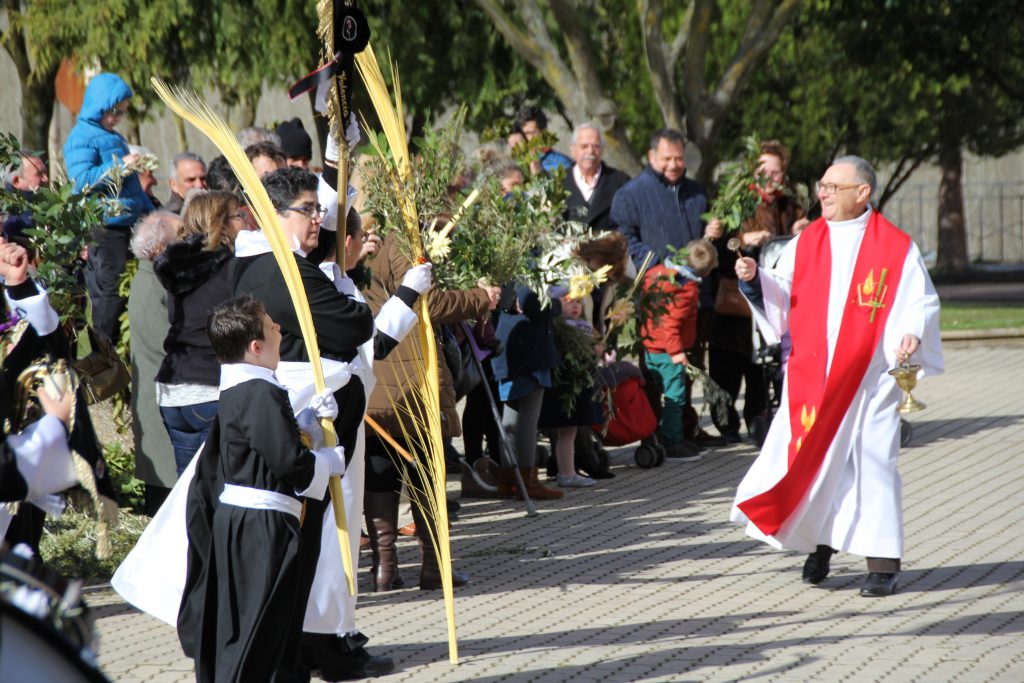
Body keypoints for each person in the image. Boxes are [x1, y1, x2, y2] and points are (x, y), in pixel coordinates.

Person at [730, 155, 943, 598]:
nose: (822, 193)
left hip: (870, 379)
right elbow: (783, 293)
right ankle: (821, 544)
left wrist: (909, 334)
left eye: (832, 187)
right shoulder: (808, 242)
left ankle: (882, 563)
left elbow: (919, 302)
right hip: (815, 376)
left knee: (873, 464)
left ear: (862, 193)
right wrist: (755, 281)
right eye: (822, 186)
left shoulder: (895, 246)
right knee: (821, 463)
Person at [180, 294, 345, 681]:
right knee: (260, 633)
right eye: (273, 327)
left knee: (260, 629)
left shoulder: (247, 389)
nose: (280, 330)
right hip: (261, 529)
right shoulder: (259, 391)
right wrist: (328, 461)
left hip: (248, 525)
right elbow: (288, 462)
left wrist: (306, 425)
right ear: (256, 347)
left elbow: (263, 447)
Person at [611, 128, 724, 447]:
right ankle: (655, 433)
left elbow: (705, 243)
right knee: (659, 369)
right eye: (667, 158)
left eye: (679, 158)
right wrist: (659, 266)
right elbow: (624, 238)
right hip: (657, 296)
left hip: (696, 295)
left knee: (692, 363)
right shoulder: (632, 194)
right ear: (651, 157)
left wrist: (713, 232)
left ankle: (686, 427)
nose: (675, 164)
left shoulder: (697, 192)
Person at [709, 140, 808, 445]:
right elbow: (717, 243)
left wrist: (799, 231)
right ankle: (725, 422)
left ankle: (759, 418)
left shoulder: (790, 204)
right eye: (764, 170)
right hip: (735, 294)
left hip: (773, 293)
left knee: (762, 362)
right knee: (727, 361)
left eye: (776, 171)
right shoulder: (736, 201)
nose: (770, 177)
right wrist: (742, 237)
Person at [154, 191, 251, 476]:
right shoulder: (230, 267)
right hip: (210, 385)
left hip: (173, 391)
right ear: (221, 223)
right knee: (222, 487)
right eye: (239, 215)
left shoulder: (178, 265)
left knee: (190, 490)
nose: (244, 221)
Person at [63, 72, 154, 342]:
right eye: (114, 112)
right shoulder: (81, 137)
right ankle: (104, 353)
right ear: (99, 105)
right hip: (105, 227)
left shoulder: (113, 137)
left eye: (121, 113)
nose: (117, 118)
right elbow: (82, 182)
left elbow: (132, 188)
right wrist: (121, 166)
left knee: (133, 288)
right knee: (110, 293)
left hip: (127, 223)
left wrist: (150, 212)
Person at [641, 239, 719, 462]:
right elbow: (670, 323)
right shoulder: (685, 289)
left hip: (650, 345)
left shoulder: (657, 273)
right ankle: (672, 440)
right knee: (676, 396)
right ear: (703, 272)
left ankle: (654, 437)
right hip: (668, 351)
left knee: (654, 393)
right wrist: (677, 352)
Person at [127, 211, 180, 514]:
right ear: (160, 248)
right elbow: (166, 344)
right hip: (159, 407)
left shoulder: (157, 280)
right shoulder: (151, 285)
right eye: (181, 236)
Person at [563, 123, 630, 232]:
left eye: (596, 146)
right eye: (584, 146)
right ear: (573, 149)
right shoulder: (558, 183)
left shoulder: (620, 182)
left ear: (602, 149)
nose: (590, 151)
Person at [3, 151, 49, 239]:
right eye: (39, 174)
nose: (46, 179)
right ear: (17, 181)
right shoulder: (13, 224)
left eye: (45, 172)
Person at [513, 105, 572, 173]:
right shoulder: (515, 165)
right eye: (523, 134)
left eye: (530, 133)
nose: (525, 138)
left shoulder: (561, 164)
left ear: (542, 132)